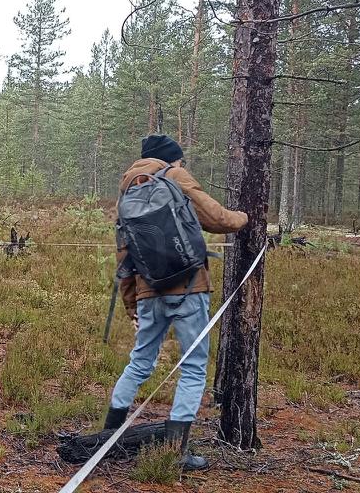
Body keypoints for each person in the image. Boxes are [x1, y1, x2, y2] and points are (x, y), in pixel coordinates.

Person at [104, 133, 248, 471]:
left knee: (139, 363)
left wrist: (131, 304)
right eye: (179, 158)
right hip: (188, 289)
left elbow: (124, 256)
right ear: (171, 158)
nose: (182, 163)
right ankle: (176, 451)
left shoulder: (127, 191)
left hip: (147, 290)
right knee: (194, 367)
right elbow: (217, 219)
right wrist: (246, 217)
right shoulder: (174, 175)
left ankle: (109, 436)